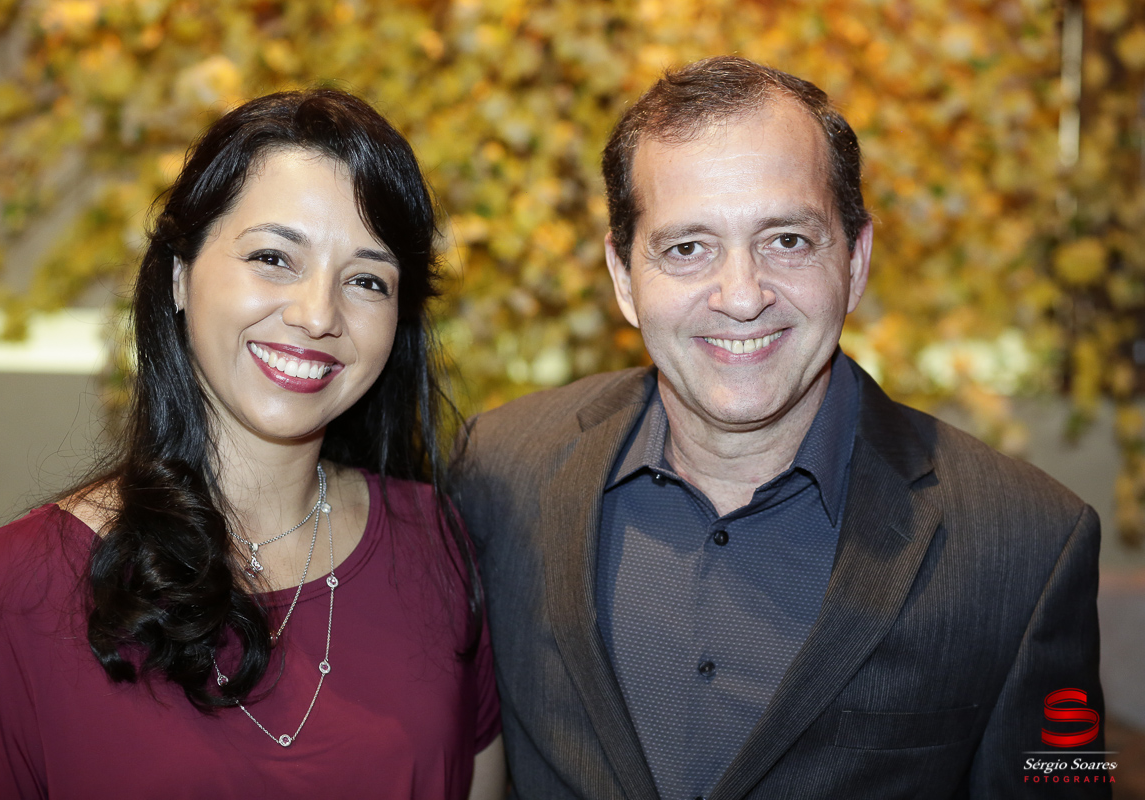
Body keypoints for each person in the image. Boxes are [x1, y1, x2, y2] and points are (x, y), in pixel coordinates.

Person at [453, 56, 1106, 798]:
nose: (741, 296)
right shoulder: (496, 471)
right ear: (624, 277)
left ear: (855, 260)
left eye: (787, 240)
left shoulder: (1029, 542)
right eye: (687, 248)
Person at [0, 88, 504, 799]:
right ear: (180, 275)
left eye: (367, 280)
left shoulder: (438, 546)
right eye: (273, 257)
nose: (318, 315)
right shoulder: (16, 591)